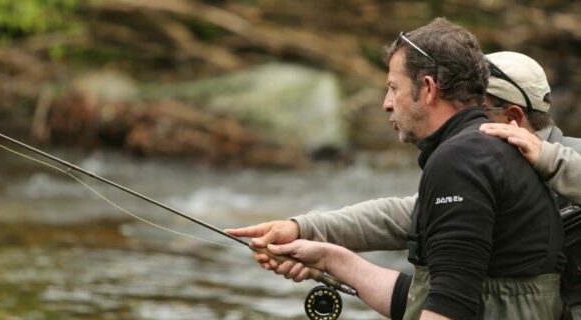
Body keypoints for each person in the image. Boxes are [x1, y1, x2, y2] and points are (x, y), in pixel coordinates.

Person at [228, 20, 566, 319]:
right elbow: (435, 293)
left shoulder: (462, 161)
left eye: (393, 88)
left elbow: (452, 306)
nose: (386, 103)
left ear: (430, 89)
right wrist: (330, 258)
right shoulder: (487, 154)